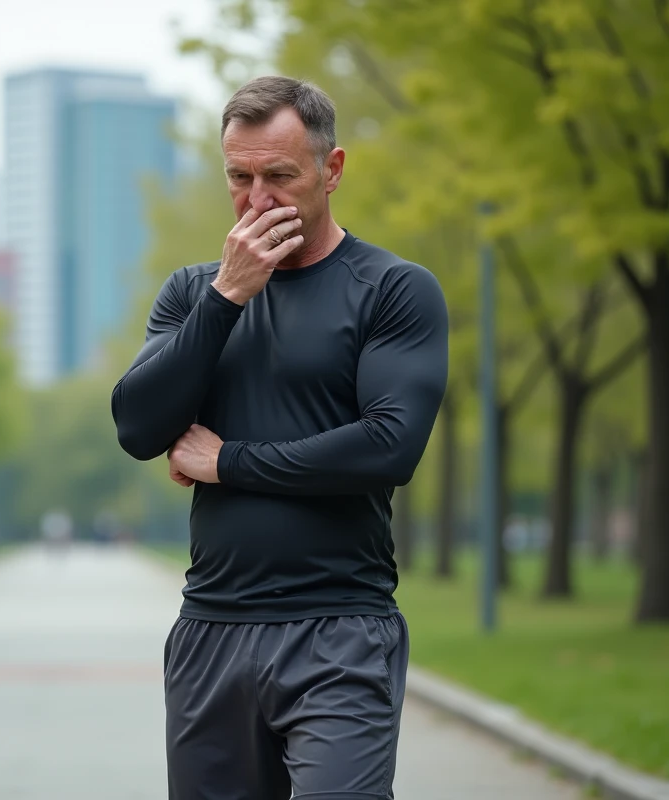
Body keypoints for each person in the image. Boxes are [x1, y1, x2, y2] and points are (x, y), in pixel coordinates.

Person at [111, 76, 449, 799]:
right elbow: (137, 427)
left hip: (340, 630)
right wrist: (226, 297)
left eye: (279, 176)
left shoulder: (394, 290)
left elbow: (388, 446)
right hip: (212, 629)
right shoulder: (192, 293)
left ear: (331, 170)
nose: (257, 198)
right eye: (240, 177)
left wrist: (227, 461)